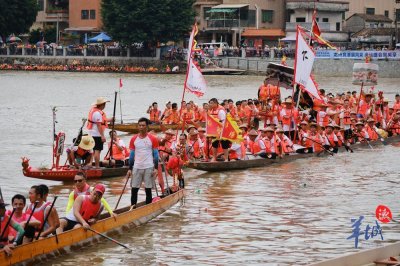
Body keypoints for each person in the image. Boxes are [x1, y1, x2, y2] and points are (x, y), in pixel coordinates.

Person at [127, 117, 159, 207]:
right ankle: (133, 208)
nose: (141, 127)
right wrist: (129, 169)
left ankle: (148, 208)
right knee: (134, 190)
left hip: (148, 167)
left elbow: (156, 155)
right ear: (138, 127)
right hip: (137, 167)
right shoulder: (133, 139)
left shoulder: (152, 138)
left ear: (147, 127)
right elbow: (131, 155)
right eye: (140, 125)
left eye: (143, 125)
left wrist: (156, 168)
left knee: (148, 190)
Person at [87, 97, 114, 168]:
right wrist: (102, 136)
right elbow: (99, 125)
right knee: (97, 150)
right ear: (102, 104)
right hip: (96, 134)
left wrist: (110, 119)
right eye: (104, 104)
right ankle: (97, 166)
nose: (105, 106)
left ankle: (91, 163)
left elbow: (101, 121)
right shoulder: (97, 113)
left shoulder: (94, 111)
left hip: (92, 133)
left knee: (94, 149)